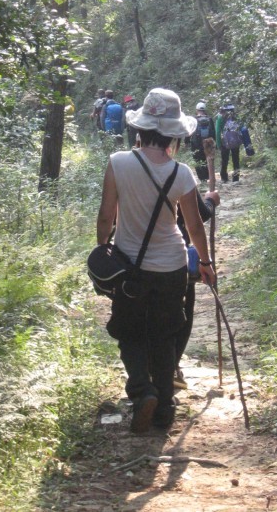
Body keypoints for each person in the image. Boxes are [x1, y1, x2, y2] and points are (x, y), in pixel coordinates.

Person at [96, 88, 216, 433]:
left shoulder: (118, 163)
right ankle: (164, 409)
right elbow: (194, 226)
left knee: (129, 332)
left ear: (141, 128)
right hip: (172, 267)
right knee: (165, 334)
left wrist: (104, 249)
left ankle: (141, 390)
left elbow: (106, 217)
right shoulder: (181, 173)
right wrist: (205, 264)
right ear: (173, 134)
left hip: (130, 267)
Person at [174, 188, 220, 388]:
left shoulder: (122, 169)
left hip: (132, 259)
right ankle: (170, 368)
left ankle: (142, 376)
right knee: (181, 315)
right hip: (174, 258)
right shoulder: (178, 173)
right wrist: (211, 200)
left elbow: (109, 219)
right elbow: (197, 217)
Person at [215, 103, 243, 183]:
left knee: (224, 160)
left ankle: (224, 178)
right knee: (236, 160)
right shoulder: (236, 116)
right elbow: (241, 128)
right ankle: (236, 179)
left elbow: (218, 131)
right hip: (235, 141)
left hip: (225, 142)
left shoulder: (220, 117)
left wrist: (218, 144)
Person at [189, 101, 216, 182]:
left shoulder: (194, 119)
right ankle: (208, 177)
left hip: (196, 144)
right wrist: (214, 144)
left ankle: (202, 178)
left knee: (197, 160)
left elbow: (189, 132)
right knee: (208, 159)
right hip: (208, 143)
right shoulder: (210, 119)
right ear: (205, 110)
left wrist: (187, 142)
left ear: (197, 110)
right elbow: (213, 132)